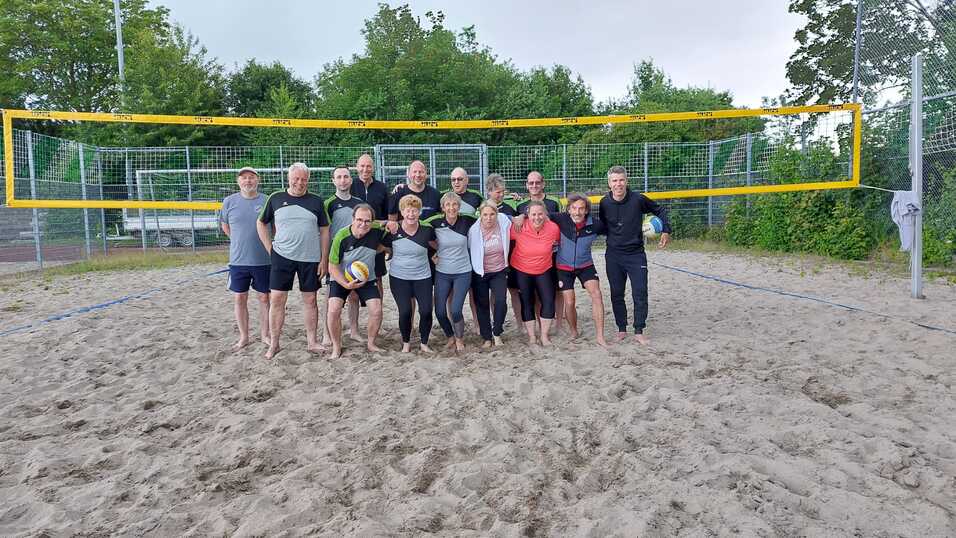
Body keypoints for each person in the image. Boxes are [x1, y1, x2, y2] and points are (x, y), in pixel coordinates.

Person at [257, 162, 330, 359]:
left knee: (310, 300)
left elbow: (324, 230)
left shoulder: (316, 201)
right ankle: (274, 343)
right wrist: (270, 248)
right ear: (289, 179)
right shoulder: (276, 198)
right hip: (282, 256)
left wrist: (324, 258)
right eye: (296, 179)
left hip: (310, 258)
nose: (300, 183)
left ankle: (312, 341)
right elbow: (261, 223)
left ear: (308, 179)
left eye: (303, 179)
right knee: (277, 299)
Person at [599, 165, 671, 344]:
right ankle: (621, 328)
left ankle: (639, 330)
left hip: (635, 254)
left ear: (627, 181)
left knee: (640, 292)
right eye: (614, 181)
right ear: (609, 183)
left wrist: (666, 230)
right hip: (613, 255)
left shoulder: (638, 199)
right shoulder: (604, 202)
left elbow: (660, 210)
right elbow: (603, 225)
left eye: (621, 180)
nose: (618, 184)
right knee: (617, 293)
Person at [327, 204, 388, 359]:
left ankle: (371, 343)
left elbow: (391, 227)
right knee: (333, 310)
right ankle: (336, 346)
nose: (363, 224)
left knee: (376, 309)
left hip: (366, 277)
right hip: (341, 277)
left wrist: (387, 248)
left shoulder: (376, 230)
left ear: (372, 222)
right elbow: (332, 266)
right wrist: (346, 284)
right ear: (353, 219)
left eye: (367, 221)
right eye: (359, 220)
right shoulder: (341, 236)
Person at [220, 166, 271, 351]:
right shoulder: (229, 201)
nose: (248, 181)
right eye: (244, 178)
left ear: (258, 180)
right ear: (238, 181)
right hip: (238, 260)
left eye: (251, 177)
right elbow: (226, 226)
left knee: (264, 298)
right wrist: (239, 241)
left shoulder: (266, 200)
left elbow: (274, 227)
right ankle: (244, 337)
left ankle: (265, 335)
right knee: (240, 298)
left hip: (263, 260)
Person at [424, 192, 476, 353]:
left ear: (459, 207)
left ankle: (459, 339)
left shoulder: (467, 220)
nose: (451, 208)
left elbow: (489, 216)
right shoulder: (435, 222)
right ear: (443, 207)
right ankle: (450, 337)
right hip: (442, 272)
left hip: (463, 271)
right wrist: (433, 251)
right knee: (439, 311)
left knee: (455, 309)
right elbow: (417, 228)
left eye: (455, 204)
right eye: (448, 205)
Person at [553, 194, 608, 347]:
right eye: (574, 208)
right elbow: (537, 214)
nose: (577, 212)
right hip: (563, 267)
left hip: (586, 265)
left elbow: (615, 233)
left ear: (586, 211)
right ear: (568, 209)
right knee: (569, 302)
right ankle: (573, 331)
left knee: (597, 294)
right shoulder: (560, 219)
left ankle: (600, 336)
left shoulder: (595, 224)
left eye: (581, 209)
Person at [385, 195, 438, 353]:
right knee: (406, 311)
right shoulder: (393, 229)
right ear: (402, 211)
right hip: (399, 277)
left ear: (419, 212)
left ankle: (424, 343)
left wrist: (437, 256)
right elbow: (381, 247)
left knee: (426, 310)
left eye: (415, 211)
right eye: (407, 211)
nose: (411, 214)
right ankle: (406, 343)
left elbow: (436, 245)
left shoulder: (427, 229)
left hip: (423, 276)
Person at [515, 171, 566, 335]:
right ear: (526, 185)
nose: (534, 186)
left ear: (543, 184)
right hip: (528, 259)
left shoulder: (554, 202)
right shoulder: (521, 205)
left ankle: (558, 324)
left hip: (552, 255)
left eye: (537, 182)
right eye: (531, 183)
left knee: (556, 292)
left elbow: (562, 225)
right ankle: (535, 325)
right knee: (533, 294)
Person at [321, 165, 363, 347]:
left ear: (351, 180)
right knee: (330, 297)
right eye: (339, 177)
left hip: (355, 256)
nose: (343, 180)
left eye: (346, 176)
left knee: (354, 295)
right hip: (336, 257)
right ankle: (326, 333)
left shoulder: (359, 203)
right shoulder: (328, 204)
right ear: (333, 181)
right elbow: (324, 232)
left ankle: (354, 330)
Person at [509, 201, 560, 346]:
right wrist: (515, 218)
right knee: (527, 302)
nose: (537, 217)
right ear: (527, 215)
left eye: (540, 214)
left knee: (548, 301)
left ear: (545, 214)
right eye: (533, 214)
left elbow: (559, 244)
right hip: (521, 269)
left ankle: (544, 335)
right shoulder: (518, 226)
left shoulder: (553, 228)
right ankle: (532, 336)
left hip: (544, 269)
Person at [467, 200, 512, 348]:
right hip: (480, 272)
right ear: (480, 215)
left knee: (500, 301)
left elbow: (514, 219)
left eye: (492, 214)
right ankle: (486, 337)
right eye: (485, 214)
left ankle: (497, 332)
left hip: (499, 270)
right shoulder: (474, 230)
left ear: (496, 214)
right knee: (482, 304)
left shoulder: (503, 221)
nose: (489, 218)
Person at [484, 174, 522, 328]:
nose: (501, 195)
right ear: (489, 191)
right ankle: (496, 321)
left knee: (514, 291)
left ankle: (520, 323)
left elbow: (521, 215)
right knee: (495, 294)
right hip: (492, 257)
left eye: (503, 192)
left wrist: (520, 215)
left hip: (511, 253)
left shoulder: (511, 203)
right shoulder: (483, 208)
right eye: (497, 192)